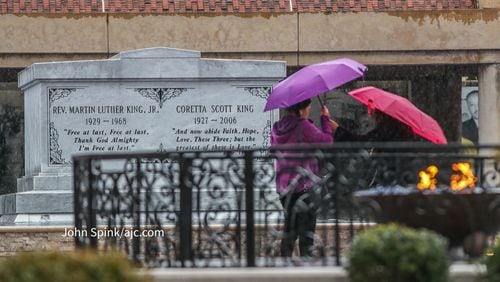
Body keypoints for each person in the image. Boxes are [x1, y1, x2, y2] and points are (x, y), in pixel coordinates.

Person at [271, 98, 336, 257]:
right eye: (308, 107)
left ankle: (284, 261)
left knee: (290, 226)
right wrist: (325, 119)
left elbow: (273, 150)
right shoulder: (304, 126)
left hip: (284, 186)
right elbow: (326, 141)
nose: (309, 110)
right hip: (304, 185)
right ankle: (306, 264)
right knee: (307, 229)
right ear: (301, 109)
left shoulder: (277, 128)